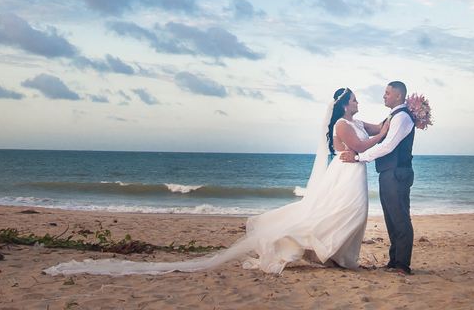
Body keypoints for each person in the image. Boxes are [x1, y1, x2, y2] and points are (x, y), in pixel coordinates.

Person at [44, 87, 387, 277]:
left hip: (353, 174)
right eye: (354, 99)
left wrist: (403, 116)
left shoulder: (357, 122)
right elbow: (361, 145)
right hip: (345, 174)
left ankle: (337, 256)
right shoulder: (343, 126)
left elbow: (376, 129)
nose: (358, 102)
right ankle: (322, 250)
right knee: (347, 215)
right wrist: (384, 136)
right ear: (343, 104)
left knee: (350, 217)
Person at [339, 81, 415, 275]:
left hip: (397, 172)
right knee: (391, 219)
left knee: (400, 218)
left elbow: (387, 145)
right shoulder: (393, 116)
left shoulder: (402, 117)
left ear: (399, 96)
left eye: (387, 93)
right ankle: (394, 261)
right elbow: (380, 132)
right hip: (388, 172)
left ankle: (403, 265)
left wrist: (358, 158)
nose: (384, 96)